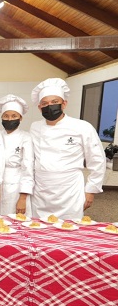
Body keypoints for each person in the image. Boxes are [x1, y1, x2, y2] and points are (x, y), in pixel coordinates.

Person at [29, 78, 105, 219]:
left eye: (54, 102)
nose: (49, 106)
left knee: (68, 229)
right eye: (45, 103)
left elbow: (97, 160)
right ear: (39, 107)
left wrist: (91, 190)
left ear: (64, 104)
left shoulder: (82, 127)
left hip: (69, 191)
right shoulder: (35, 127)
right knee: (38, 229)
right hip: (40, 191)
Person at [0, 94, 34, 216]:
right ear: (1, 117)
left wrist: (23, 198)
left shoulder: (26, 137)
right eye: (6, 116)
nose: (9, 119)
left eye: (14, 116)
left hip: (16, 188)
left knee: (16, 222)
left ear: (20, 118)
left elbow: (28, 168)